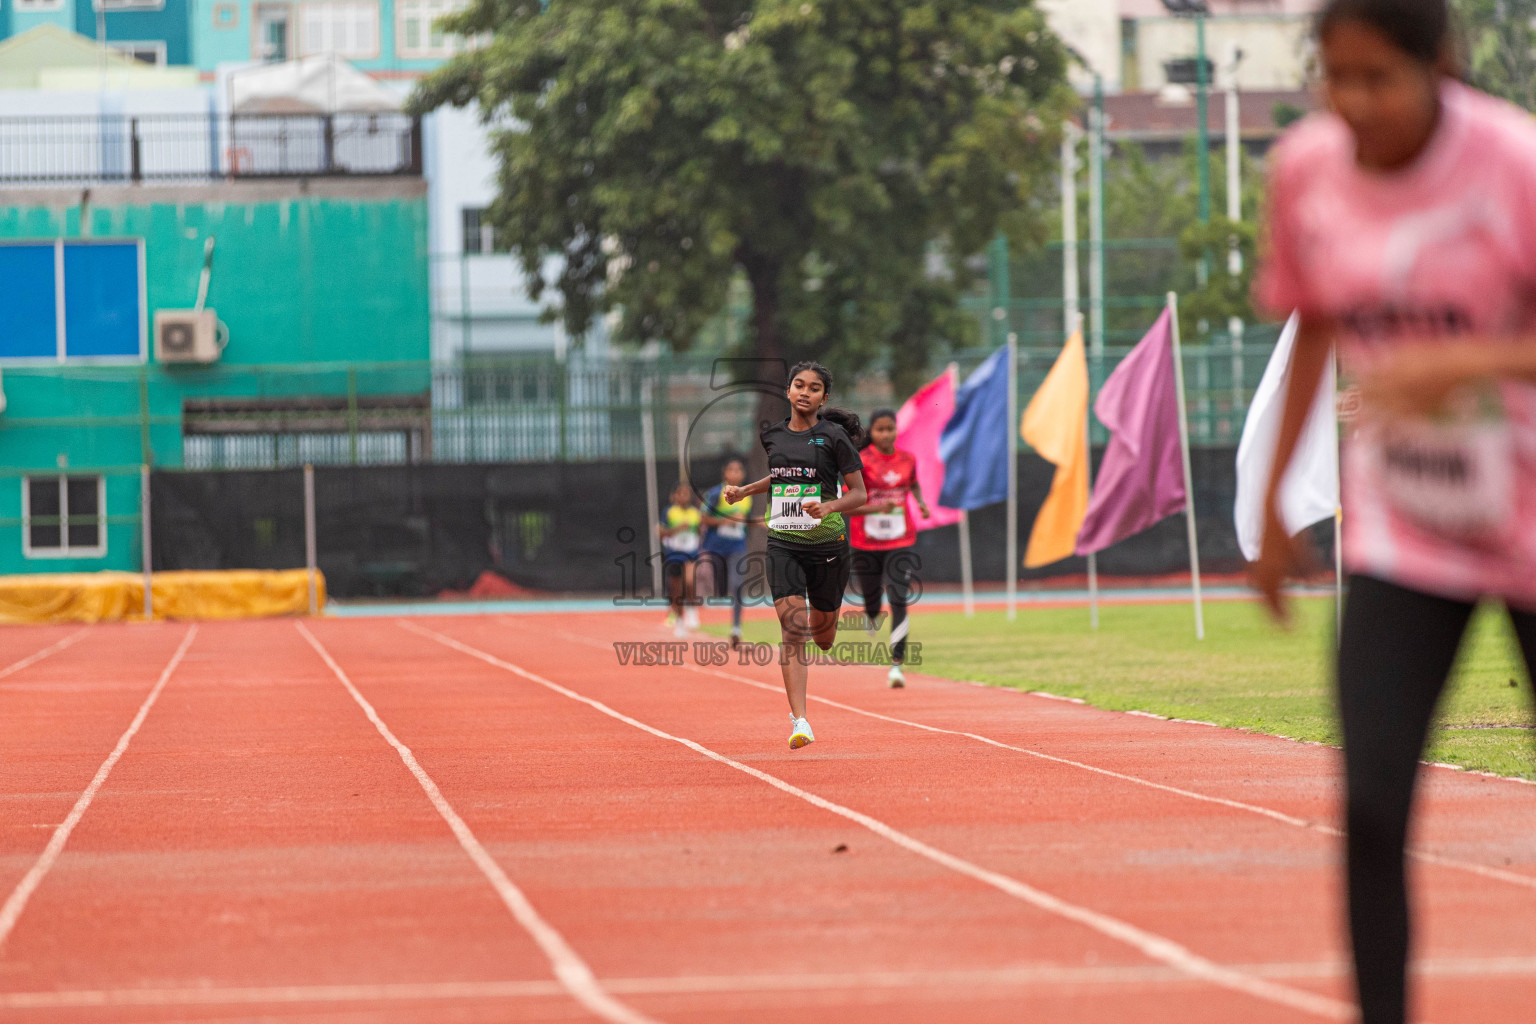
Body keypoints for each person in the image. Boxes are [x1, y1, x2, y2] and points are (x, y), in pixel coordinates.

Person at [1252, 3, 1536, 1021]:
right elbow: (1316, 328)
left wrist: (1466, 358)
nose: (1355, 104)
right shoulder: (1306, 172)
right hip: (1407, 529)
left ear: (1441, 65)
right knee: (1371, 802)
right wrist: (1277, 501)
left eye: (1380, 79)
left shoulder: (1514, 166)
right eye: (1337, 78)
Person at [723, 362, 867, 749]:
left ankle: (826, 625)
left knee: (823, 636)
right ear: (787, 391)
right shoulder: (773, 436)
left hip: (828, 547)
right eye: (798, 385)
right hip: (783, 542)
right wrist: (744, 491)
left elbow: (859, 494)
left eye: (814, 388)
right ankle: (800, 720)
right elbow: (782, 475)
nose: (805, 392)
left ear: (824, 397)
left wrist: (830, 507)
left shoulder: (835, 437)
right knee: (793, 628)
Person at [847, 408, 930, 688]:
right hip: (865, 540)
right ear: (872, 432)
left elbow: (914, 484)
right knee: (872, 597)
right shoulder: (860, 461)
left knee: (898, 597)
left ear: (896, 430)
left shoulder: (908, 459)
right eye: (880, 429)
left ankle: (896, 664)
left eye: (890, 428)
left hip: (901, 539)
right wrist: (879, 506)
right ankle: (871, 614)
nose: (886, 434)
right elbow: (847, 504)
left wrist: (919, 502)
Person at [699, 456, 753, 648]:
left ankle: (736, 629)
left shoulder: (747, 495)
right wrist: (725, 520)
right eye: (732, 470)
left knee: (737, 584)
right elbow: (703, 519)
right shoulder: (715, 494)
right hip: (714, 548)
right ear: (725, 473)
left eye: (739, 470)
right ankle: (690, 612)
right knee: (715, 586)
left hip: (737, 547)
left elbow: (742, 521)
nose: (735, 473)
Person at [658, 480, 701, 638]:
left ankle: (691, 609)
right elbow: (661, 532)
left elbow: (699, 531)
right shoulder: (669, 512)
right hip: (674, 553)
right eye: (681, 493)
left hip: (690, 552)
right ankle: (680, 622)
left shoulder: (695, 512)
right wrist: (676, 529)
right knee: (676, 590)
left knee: (689, 581)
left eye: (686, 493)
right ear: (674, 496)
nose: (684, 496)